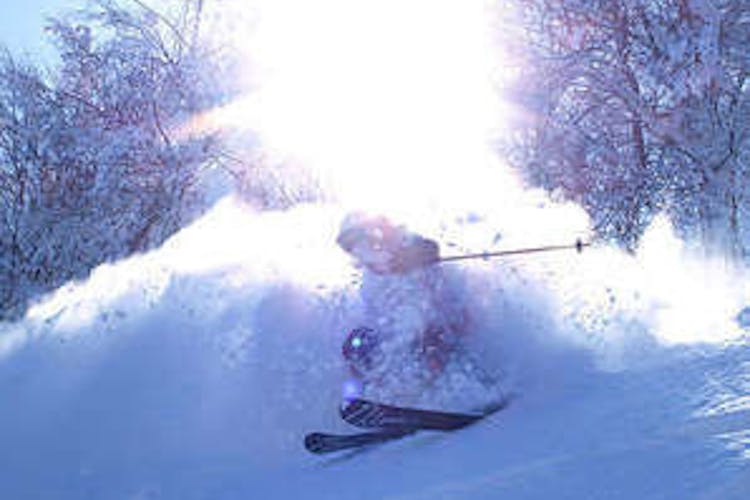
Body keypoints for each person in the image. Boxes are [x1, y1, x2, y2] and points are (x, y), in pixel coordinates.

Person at [336, 212, 471, 402]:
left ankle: (441, 398)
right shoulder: (369, 275)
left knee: (428, 340)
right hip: (402, 336)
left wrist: (407, 259)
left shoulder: (403, 243)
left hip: (447, 323)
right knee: (356, 345)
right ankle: (358, 399)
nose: (356, 250)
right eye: (348, 246)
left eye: (357, 241)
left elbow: (430, 248)